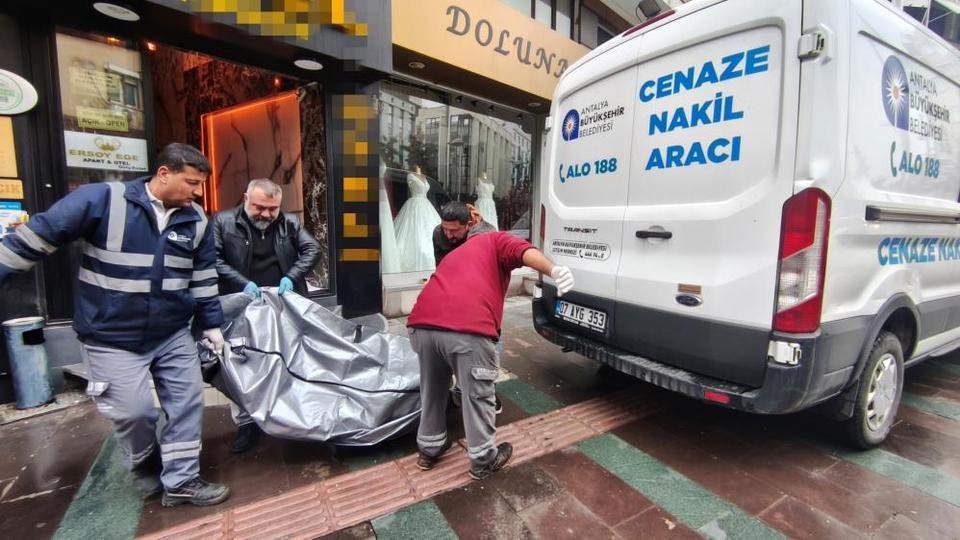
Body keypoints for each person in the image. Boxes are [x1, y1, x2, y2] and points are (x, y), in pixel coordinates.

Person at [0, 143, 230, 507]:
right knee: (134, 413)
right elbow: (39, 235)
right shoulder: (105, 200)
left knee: (187, 404)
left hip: (170, 333)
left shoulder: (197, 220)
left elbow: (203, 278)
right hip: (111, 336)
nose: (198, 192)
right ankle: (145, 463)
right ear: (164, 173)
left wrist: (211, 325)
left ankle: (182, 481)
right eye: (191, 183)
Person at [408, 227, 574, 480]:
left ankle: (429, 448)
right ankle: (484, 459)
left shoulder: (456, 253)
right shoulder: (494, 239)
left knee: (432, 388)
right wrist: (554, 270)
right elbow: (524, 251)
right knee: (478, 394)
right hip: (466, 329)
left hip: (421, 326)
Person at [212, 178, 320, 453]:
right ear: (245, 198)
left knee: (289, 356)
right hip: (242, 306)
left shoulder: (289, 222)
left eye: (273, 209)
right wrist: (241, 284)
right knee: (242, 363)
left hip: (282, 304)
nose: (267, 214)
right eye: (260, 207)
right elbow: (212, 259)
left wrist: (291, 277)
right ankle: (246, 423)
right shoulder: (223, 222)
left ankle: (292, 413)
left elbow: (313, 249)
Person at [432, 202, 502, 414]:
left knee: (485, 346)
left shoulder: (483, 234)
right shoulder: (439, 234)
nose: (448, 235)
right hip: (454, 294)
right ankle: (461, 387)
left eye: (454, 231)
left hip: (482, 295)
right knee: (453, 344)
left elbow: (490, 269)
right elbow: (442, 266)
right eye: (445, 229)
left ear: (469, 224)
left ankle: (487, 393)